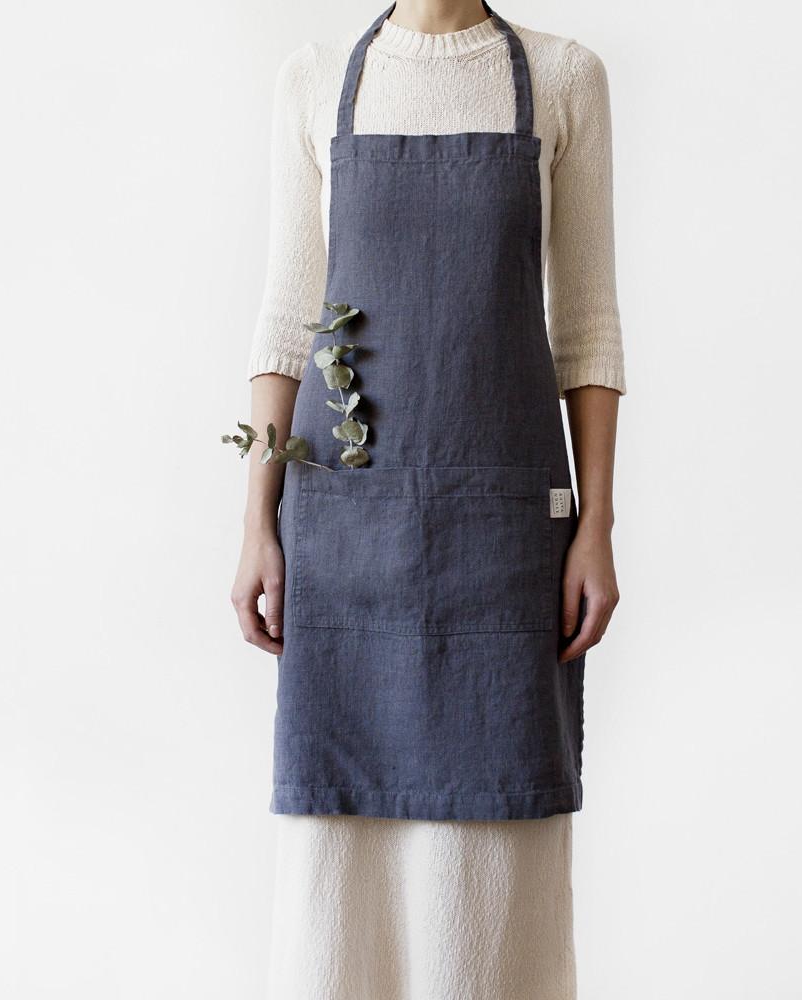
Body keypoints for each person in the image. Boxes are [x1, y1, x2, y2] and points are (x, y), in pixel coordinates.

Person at [232, 1, 625, 995]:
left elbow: (587, 326)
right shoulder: (316, 78)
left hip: (504, 533)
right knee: (337, 854)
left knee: (493, 846)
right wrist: (255, 522)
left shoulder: (564, 77)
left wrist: (597, 526)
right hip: (343, 529)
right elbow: (288, 319)